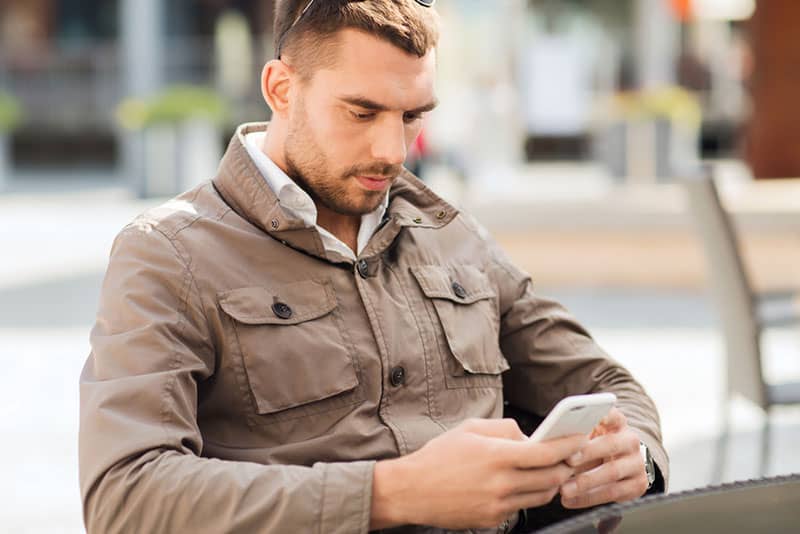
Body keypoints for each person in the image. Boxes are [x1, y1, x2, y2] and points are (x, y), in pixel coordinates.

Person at [79, 1, 667, 532]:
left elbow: (610, 388)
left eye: (412, 116)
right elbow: (125, 496)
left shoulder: (452, 234)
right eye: (362, 113)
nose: (393, 150)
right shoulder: (168, 252)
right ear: (281, 88)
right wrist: (391, 493)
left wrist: (634, 454)